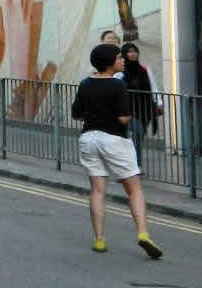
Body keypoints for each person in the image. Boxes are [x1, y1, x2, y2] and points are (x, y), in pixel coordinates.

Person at [71, 43, 162, 258]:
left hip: (89, 139)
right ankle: (143, 234)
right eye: (119, 57)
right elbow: (122, 118)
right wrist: (129, 116)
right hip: (114, 140)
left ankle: (99, 239)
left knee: (97, 190)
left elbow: (76, 114)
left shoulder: (85, 83)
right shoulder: (118, 85)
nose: (122, 60)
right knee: (134, 189)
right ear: (110, 63)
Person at [120, 42, 163, 169]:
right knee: (138, 132)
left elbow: (153, 86)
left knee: (139, 135)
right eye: (129, 51)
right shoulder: (120, 72)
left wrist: (159, 103)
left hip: (145, 108)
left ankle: (131, 161)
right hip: (128, 110)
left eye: (135, 51)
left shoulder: (145, 69)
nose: (133, 54)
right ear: (124, 54)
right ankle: (135, 165)